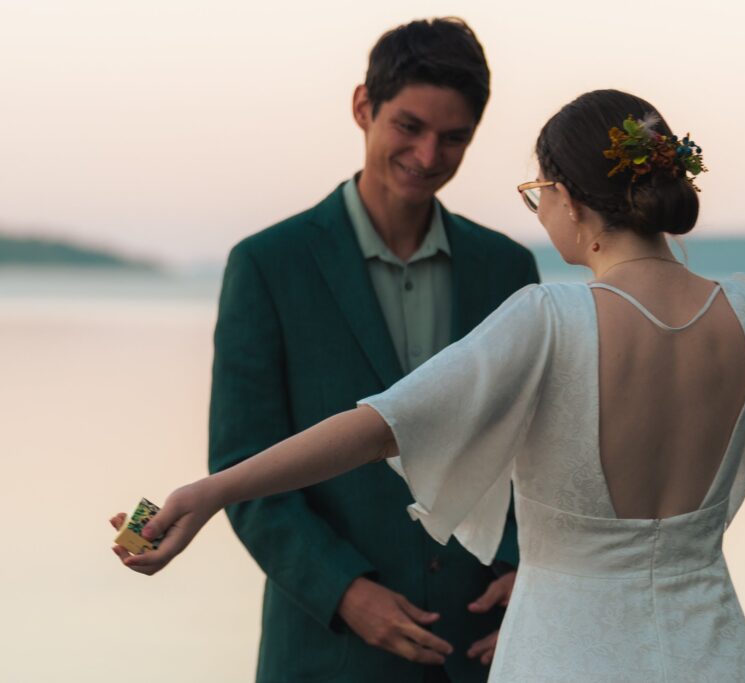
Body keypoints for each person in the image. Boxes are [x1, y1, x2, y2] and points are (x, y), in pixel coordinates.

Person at [112, 89, 745, 681]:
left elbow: (378, 425)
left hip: (564, 658)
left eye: (534, 193)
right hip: (716, 653)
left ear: (569, 199)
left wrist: (212, 488)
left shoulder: (547, 321)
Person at [110, 17, 539, 683]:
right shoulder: (266, 264)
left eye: (454, 138)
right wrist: (344, 590)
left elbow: (533, 454)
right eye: (409, 127)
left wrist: (527, 568)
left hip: (486, 647)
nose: (429, 156)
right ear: (363, 106)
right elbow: (241, 464)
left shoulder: (507, 269)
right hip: (324, 651)